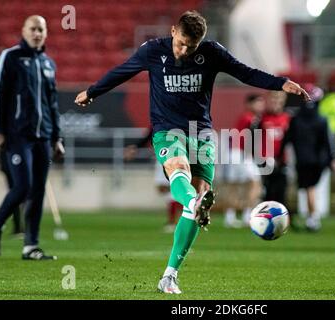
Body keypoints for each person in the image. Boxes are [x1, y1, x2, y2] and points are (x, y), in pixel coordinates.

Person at [75, 11, 310, 294]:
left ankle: (169, 275)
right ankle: (194, 204)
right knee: (179, 171)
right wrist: (93, 91)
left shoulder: (211, 52)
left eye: (192, 46)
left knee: (197, 200)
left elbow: (245, 72)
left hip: (200, 133)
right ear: (174, 31)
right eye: (182, 43)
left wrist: (279, 83)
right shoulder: (153, 51)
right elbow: (122, 71)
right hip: (167, 129)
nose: (185, 50)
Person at [0, 16, 65, 259]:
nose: (37, 33)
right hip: (16, 135)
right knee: (22, 186)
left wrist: (57, 137)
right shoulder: (10, 57)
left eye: (41, 29)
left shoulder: (48, 63)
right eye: (33, 29)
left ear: (46, 33)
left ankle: (30, 246)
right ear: (23, 31)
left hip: (43, 137)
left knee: (37, 191)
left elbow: (52, 104)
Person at [280, 85, 335, 232]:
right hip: (318, 160)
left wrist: (280, 155)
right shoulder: (321, 119)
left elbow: (286, 139)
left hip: (302, 159)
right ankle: (312, 218)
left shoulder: (296, 119)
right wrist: (334, 157)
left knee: (307, 188)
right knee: (309, 188)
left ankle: (311, 217)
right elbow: (328, 140)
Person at [123, 129, 182, 233]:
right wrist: (136, 147)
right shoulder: (161, 118)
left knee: (168, 187)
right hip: (166, 153)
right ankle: (190, 212)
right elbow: (151, 133)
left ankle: (173, 222)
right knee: (164, 188)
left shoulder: (168, 117)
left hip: (169, 154)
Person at [222, 94, 265, 228]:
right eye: (258, 103)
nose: (261, 106)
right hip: (242, 154)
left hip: (235, 153)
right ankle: (248, 215)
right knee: (254, 182)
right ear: (249, 104)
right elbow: (249, 138)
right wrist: (250, 154)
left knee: (234, 185)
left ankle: (230, 217)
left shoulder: (244, 117)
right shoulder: (251, 119)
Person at [260, 91, 291, 208]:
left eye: (279, 101)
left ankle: (281, 217)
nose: (276, 103)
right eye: (273, 100)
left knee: (281, 191)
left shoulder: (287, 118)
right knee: (267, 192)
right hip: (265, 160)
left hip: (281, 159)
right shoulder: (262, 118)